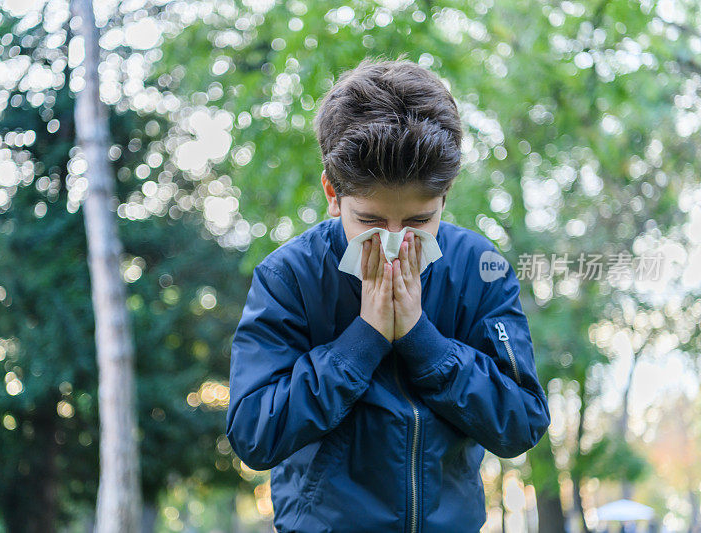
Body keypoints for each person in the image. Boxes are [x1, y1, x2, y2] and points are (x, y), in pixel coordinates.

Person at [225, 54, 551, 532]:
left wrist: (423, 340)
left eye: (419, 222)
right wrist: (364, 340)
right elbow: (254, 433)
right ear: (333, 194)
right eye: (372, 221)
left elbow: (521, 420)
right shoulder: (289, 275)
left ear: (445, 196)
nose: (395, 243)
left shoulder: (480, 269)